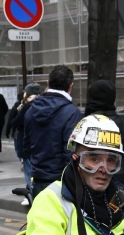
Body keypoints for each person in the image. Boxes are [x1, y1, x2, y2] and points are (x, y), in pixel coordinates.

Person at [23, 65, 82, 198]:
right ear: (71, 86)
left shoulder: (31, 110)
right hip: (61, 181)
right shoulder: (72, 113)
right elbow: (71, 150)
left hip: (38, 178)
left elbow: (26, 148)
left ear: (48, 83)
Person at [85, 80, 124, 192]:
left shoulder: (86, 124)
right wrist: (113, 166)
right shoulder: (119, 124)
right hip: (117, 179)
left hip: (89, 180)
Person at [12, 84, 41, 205]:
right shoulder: (40, 105)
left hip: (26, 141)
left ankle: (31, 195)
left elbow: (16, 121)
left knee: (29, 170)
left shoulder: (26, 107)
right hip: (37, 142)